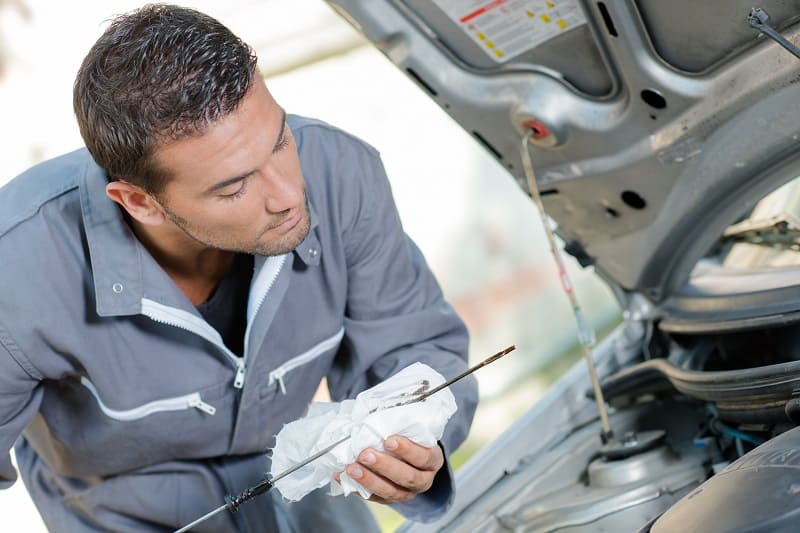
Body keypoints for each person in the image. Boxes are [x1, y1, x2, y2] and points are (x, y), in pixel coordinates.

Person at [0, 4, 477, 532]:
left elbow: (413, 349)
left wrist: (418, 441)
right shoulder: (16, 272)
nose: (289, 195)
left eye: (280, 141)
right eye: (234, 186)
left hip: (306, 500)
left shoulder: (342, 174)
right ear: (139, 202)